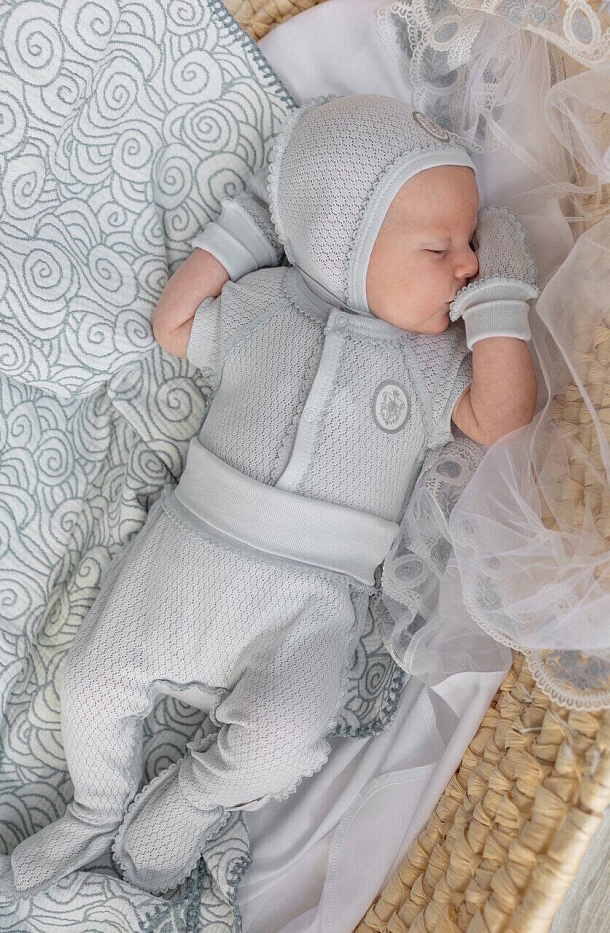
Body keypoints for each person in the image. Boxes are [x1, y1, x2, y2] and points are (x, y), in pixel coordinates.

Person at [0, 94, 537, 899]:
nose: (466, 263)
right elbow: (175, 323)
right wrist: (254, 227)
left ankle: (188, 801)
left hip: (311, 605)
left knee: (284, 736)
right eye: (441, 247)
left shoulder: (434, 366)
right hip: (187, 555)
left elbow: (504, 420)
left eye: (469, 245)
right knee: (90, 681)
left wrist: (501, 296)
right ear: (345, 242)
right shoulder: (266, 304)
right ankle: (96, 802)